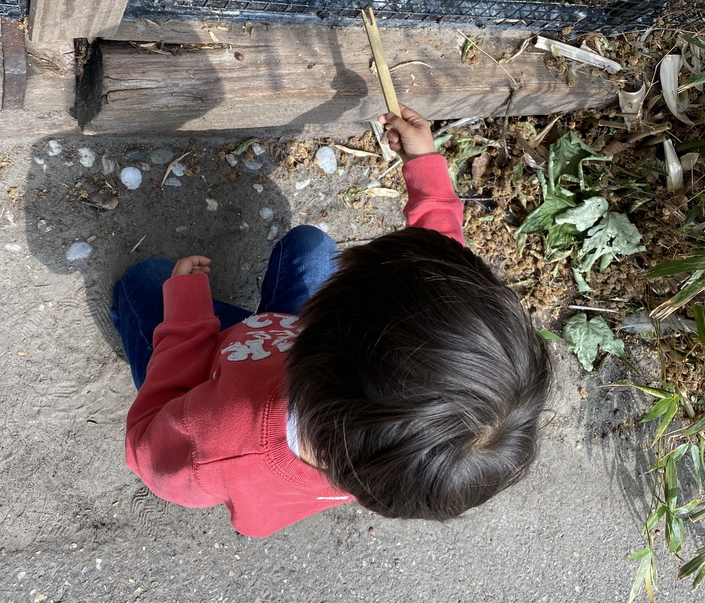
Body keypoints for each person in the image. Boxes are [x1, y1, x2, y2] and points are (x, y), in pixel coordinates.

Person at [113, 106, 550, 538]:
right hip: (282, 339)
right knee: (312, 244)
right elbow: (438, 284)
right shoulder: (380, 455)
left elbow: (146, 441)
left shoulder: (220, 443)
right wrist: (424, 166)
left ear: (320, 338)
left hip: (209, 364)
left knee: (146, 280)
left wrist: (187, 323)